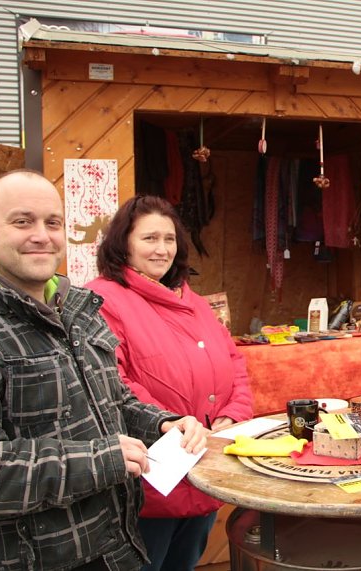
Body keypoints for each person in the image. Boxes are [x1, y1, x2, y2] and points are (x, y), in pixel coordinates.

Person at [0, 169, 208, 571]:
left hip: (118, 548)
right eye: (22, 221)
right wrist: (100, 460)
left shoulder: (79, 307)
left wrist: (160, 424)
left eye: (53, 223)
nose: (41, 235)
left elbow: (114, 398)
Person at [86, 195, 253, 571]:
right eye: (149, 239)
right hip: (150, 478)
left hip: (205, 465)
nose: (162, 249)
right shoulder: (103, 300)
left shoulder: (193, 300)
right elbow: (113, 383)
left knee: (184, 563)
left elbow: (234, 363)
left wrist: (233, 415)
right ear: (122, 243)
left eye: (169, 239)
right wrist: (169, 421)